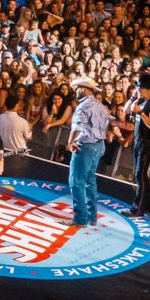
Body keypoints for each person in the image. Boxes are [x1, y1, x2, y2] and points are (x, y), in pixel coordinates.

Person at [67, 79, 110, 228]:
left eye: (77, 88)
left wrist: (70, 141)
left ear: (84, 89)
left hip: (85, 146)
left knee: (76, 182)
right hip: (99, 146)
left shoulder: (83, 106)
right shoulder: (100, 105)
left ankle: (80, 218)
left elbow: (78, 127)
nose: (75, 91)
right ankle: (92, 217)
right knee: (90, 181)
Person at [123, 74, 150, 217]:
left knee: (140, 175)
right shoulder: (140, 100)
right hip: (138, 141)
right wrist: (133, 98)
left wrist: (141, 113)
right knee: (139, 175)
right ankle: (148, 203)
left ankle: (137, 208)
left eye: (140, 88)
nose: (138, 90)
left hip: (147, 143)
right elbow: (125, 110)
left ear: (148, 89)